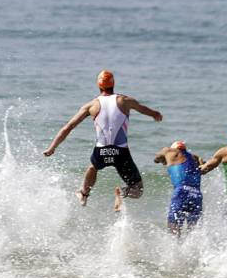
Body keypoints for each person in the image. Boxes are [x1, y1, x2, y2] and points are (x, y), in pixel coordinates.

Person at [43, 70, 163, 207]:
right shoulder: (125, 101)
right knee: (137, 190)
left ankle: (84, 194)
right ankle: (122, 193)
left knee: (93, 166)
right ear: (113, 84)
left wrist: (52, 148)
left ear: (99, 85)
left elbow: (68, 127)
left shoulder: (90, 105)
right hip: (121, 152)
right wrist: (155, 114)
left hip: (101, 150)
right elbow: (144, 109)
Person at [154, 140, 204, 234]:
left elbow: (156, 158)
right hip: (197, 194)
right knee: (194, 231)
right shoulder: (194, 158)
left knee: (173, 228)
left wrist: (164, 159)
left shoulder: (169, 151)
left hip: (182, 192)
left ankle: (174, 243)